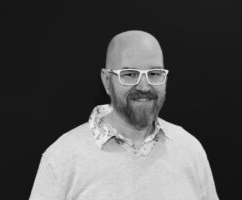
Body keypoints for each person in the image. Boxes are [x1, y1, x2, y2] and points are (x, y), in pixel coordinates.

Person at [29, 30, 220, 200]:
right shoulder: (62, 158)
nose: (144, 86)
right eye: (129, 74)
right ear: (106, 81)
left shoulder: (190, 150)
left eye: (154, 73)